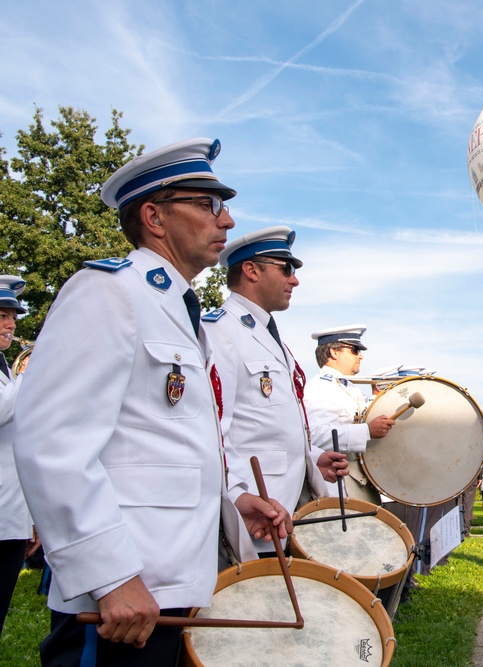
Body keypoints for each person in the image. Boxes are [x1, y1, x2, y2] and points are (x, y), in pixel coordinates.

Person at [13, 139, 295, 665]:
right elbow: (53, 442)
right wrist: (109, 575)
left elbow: (170, 440)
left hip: (172, 585)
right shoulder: (108, 292)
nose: (227, 221)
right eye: (209, 205)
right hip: (119, 600)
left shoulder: (178, 310)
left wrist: (233, 495)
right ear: (154, 216)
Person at [204, 226, 349, 555]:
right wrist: (236, 494)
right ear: (251, 270)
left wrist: (314, 460)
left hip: (280, 510)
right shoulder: (219, 333)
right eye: (286, 268)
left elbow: (272, 426)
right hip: (249, 514)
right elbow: (213, 431)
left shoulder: (272, 338)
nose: (294, 279)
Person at [303, 325, 395, 504]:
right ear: (334, 352)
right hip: (335, 488)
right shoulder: (319, 388)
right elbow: (312, 436)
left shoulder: (350, 388)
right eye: (354, 350)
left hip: (356, 484)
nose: (360, 356)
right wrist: (366, 431)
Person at [0, 276, 32, 634]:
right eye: (2, 315)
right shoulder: (16, 372)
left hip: (8, 516)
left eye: (12, 316)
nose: (10, 324)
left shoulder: (5, 368)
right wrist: (32, 368)